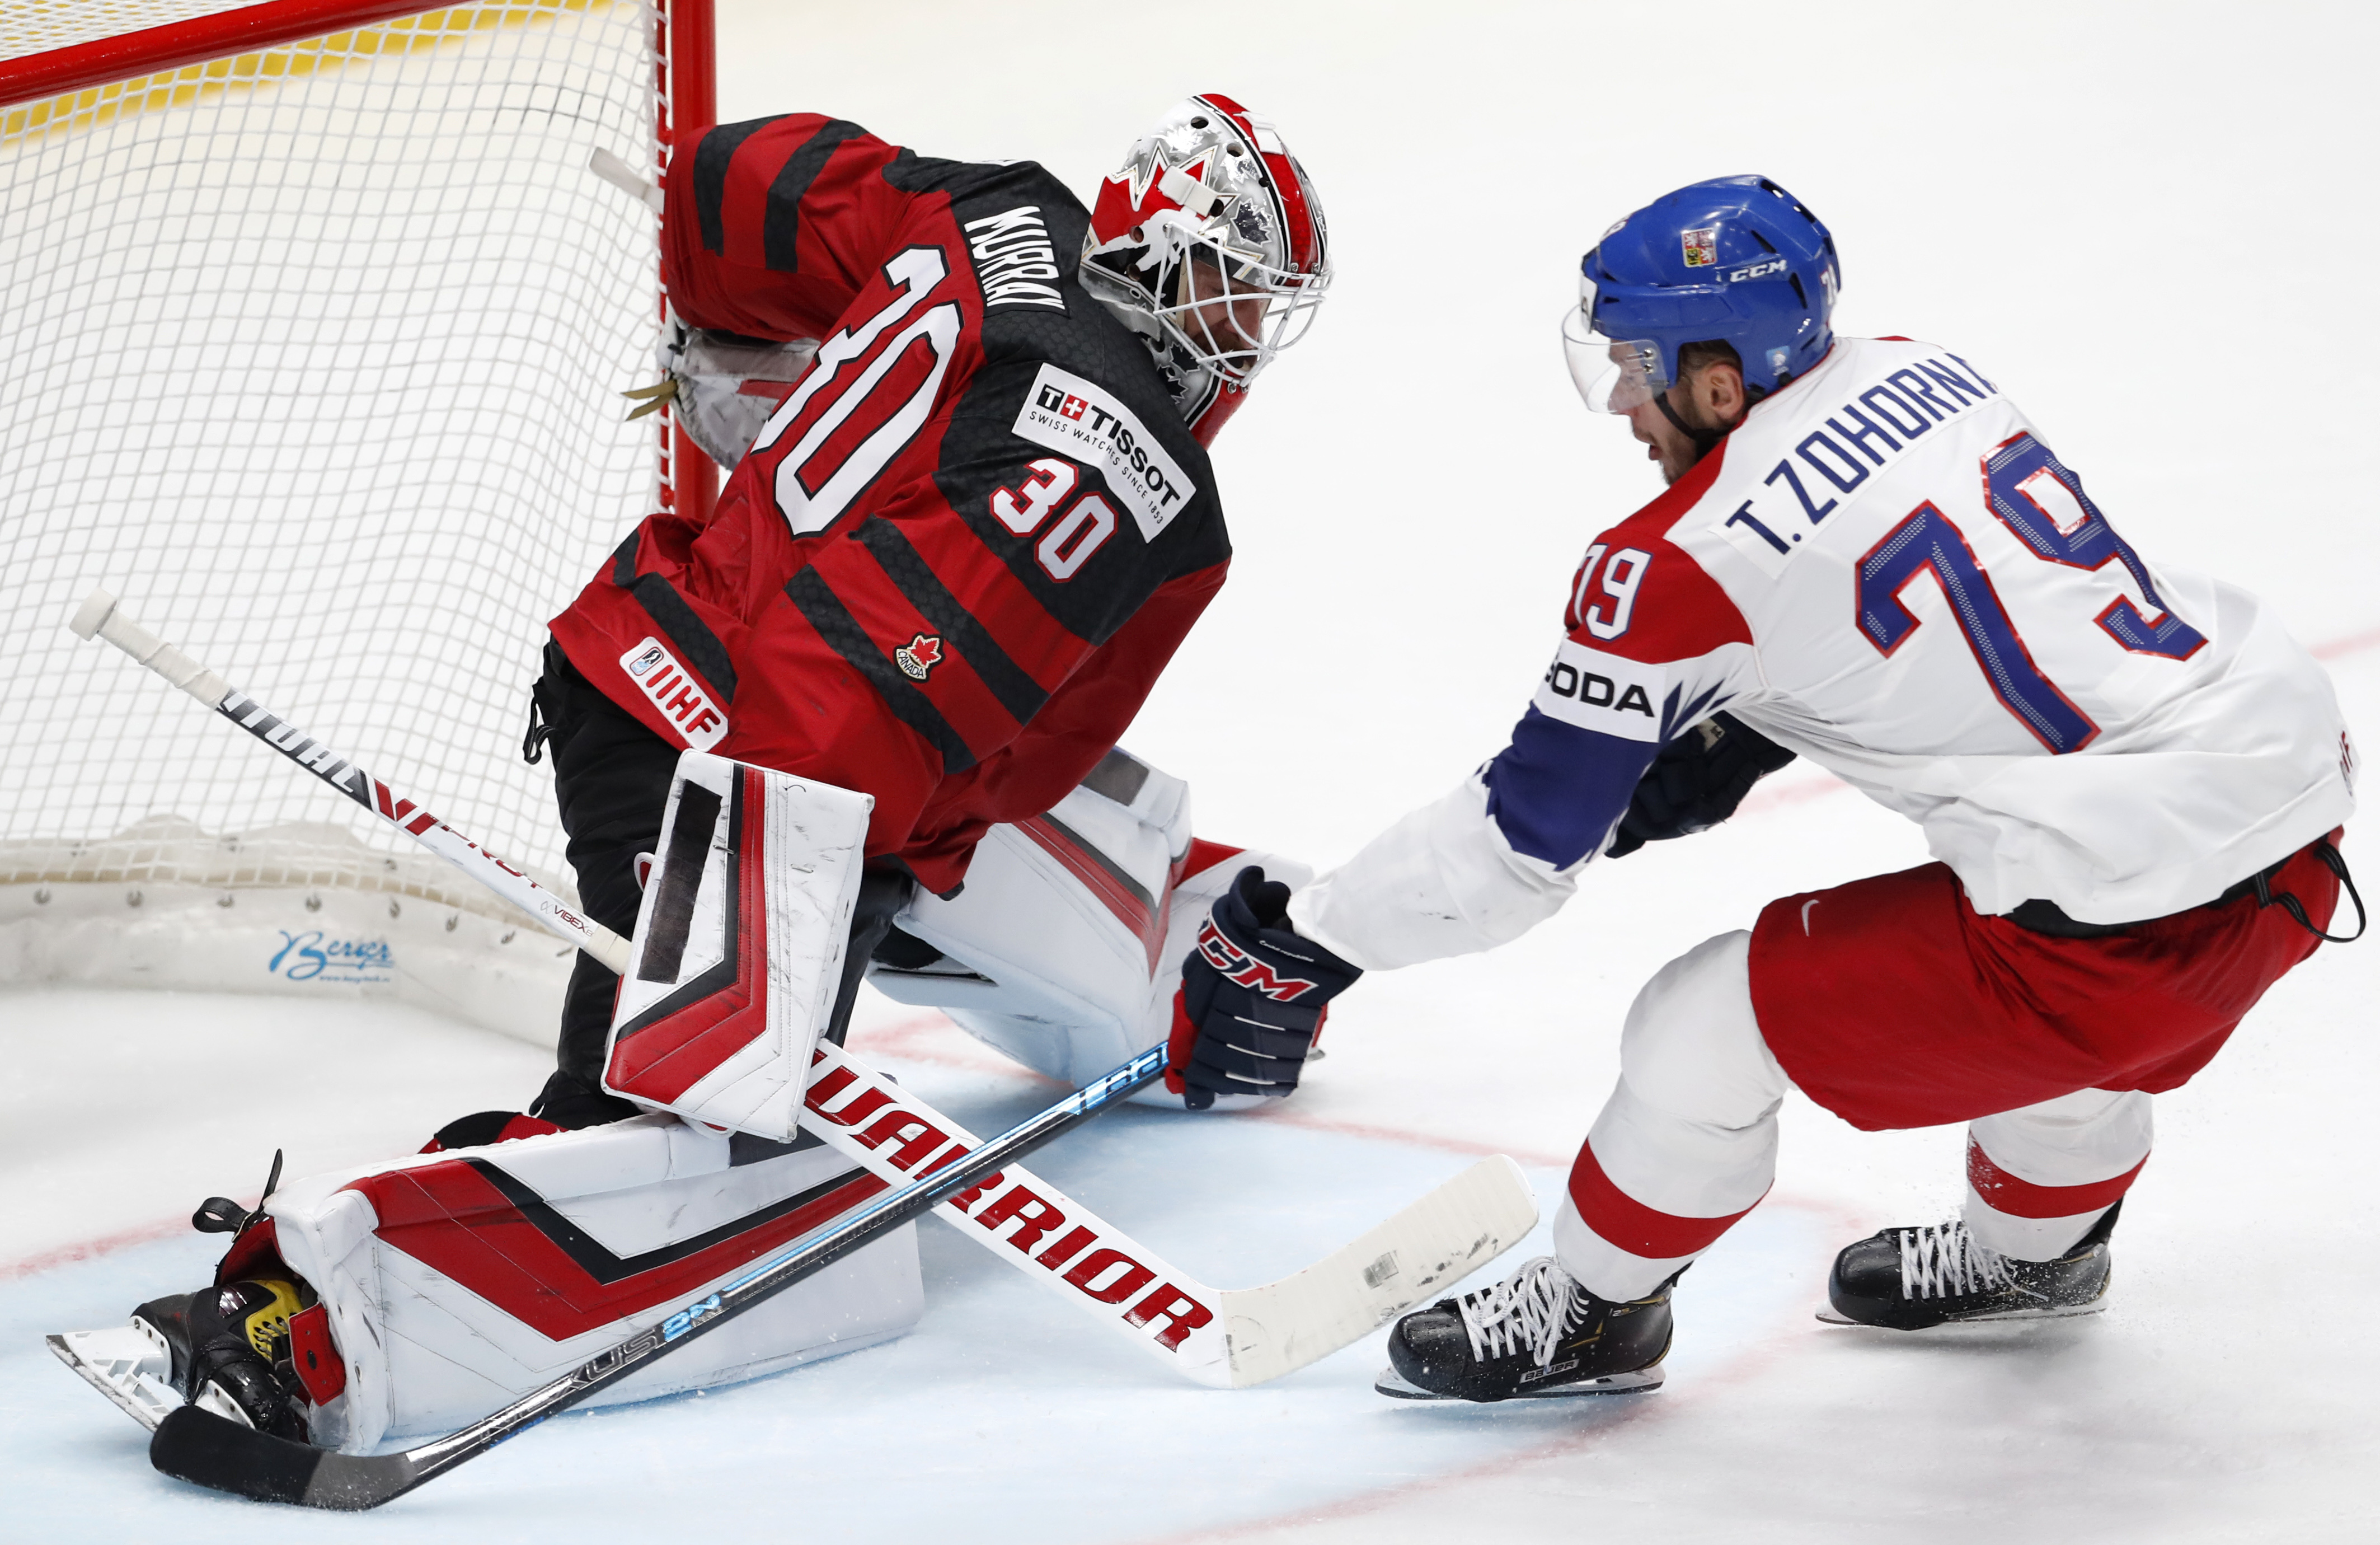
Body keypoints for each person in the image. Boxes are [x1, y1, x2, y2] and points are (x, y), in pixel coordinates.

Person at [83, 95, 1336, 1444]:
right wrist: (766, 941)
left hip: (699, 659)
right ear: (1160, 247)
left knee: (954, 841)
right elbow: (852, 694)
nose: (1245, 336)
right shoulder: (1124, 458)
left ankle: (1190, 942)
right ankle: (294, 1319)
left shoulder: (1002, 209)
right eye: (1233, 291)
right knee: (681, 1146)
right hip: (730, 760)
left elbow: (738, 182)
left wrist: (725, 343)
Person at [1164, 175, 2361, 1403]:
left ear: (1719, 382)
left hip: (2116, 938)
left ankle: (1594, 1313)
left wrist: (1312, 938)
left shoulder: (1675, 563)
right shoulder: (1924, 370)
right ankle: (2037, 1255)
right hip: (2290, 834)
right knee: (2031, 926)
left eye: (1637, 367)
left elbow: (1514, 849)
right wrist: (1735, 733)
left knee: (1704, 1025)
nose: (1623, 404)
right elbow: (1914, 616)